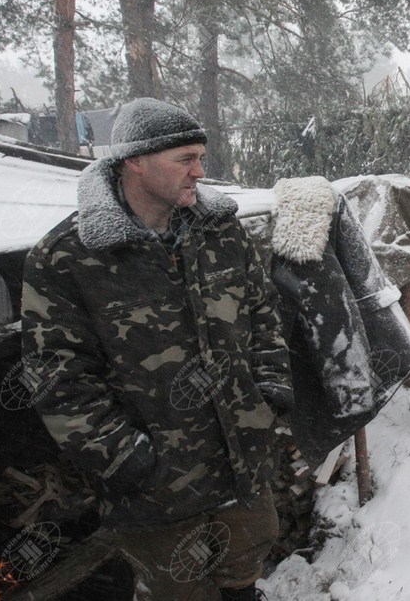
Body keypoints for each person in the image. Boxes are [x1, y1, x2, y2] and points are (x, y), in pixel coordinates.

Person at [21, 98, 294, 600]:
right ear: (134, 161)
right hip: (157, 489)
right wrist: (128, 459)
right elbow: (58, 381)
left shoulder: (220, 230)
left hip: (242, 463)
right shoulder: (67, 257)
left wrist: (270, 390)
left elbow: (262, 312)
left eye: (200, 157)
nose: (200, 171)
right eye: (184, 159)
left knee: (242, 576)